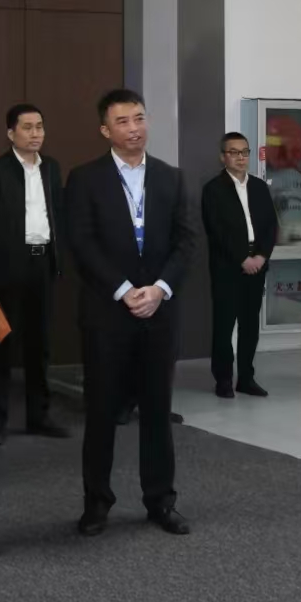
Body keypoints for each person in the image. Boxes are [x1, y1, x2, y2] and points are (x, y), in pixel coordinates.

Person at [64, 88, 194, 538]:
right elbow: (82, 243)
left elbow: (186, 241)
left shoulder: (171, 178)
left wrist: (159, 289)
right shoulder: (85, 179)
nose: (134, 128)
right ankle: (97, 504)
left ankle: (161, 501)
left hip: (160, 312)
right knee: (102, 413)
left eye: (139, 118)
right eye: (123, 121)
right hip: (108, 314)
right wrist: (124, 291)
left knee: (157, 412)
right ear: (105, 130)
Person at [0, 103, 70, 444]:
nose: (35, 133)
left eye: (39, 127)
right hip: (6, 268)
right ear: (10, 133)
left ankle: (38, 416)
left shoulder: (52, 168)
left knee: (39, 345)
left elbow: (57, 215)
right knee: (0, 345)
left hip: (42, 264)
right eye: (27, 127)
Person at [202, 132, 278, 398]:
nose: (240, 157)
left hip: (257, 264)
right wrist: (242, 259)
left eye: (244, 152)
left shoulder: (259, 187)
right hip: (227, 267)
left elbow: (271, 226)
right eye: (233, 152)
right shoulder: (213, 189)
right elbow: (216, 231)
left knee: (250, 325)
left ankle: (246, 378)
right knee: (224, 325)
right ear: (223, 157)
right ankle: (223, 379)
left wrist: (261, 257)